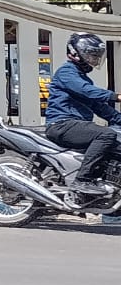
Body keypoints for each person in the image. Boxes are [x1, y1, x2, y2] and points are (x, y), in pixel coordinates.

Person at [44, 32, 121, 196]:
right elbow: (86, 91)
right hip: (62, 124)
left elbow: (100, 108)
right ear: (75, 53)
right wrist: (115, 96)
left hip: (76, 125)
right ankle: (82, 180)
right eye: (91, 55)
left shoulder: (83, 78)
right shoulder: (66, 72)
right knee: (106, 134)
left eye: (96, 55)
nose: (94, 59)